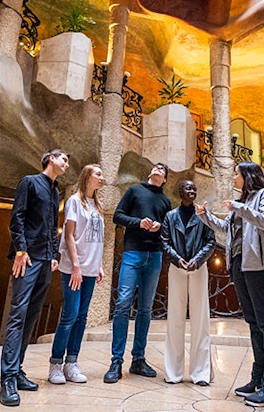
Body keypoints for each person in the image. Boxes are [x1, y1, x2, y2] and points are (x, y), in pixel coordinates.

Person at [196, 162, 264, 408]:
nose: (234, 177)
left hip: (259, 268)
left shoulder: (262, 196)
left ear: (248, 175)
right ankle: (258, 381)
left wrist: (239, 207)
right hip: (240, 267)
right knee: (255, 324)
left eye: (236, 173)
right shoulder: (243, 201)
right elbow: (227, 229)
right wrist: (205, 216)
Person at [0, 149, 69, 407]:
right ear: (51, 159)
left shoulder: (55, 191)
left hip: (44, 260)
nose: (67, 163)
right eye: (64, 159)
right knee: (18, 315)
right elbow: (16, 218)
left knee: (31, 317)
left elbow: (52, 226)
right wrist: (20, 250)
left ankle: (17, 371)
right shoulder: (29, 182)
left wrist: (52, 255)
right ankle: (7, 379)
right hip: (26, 258)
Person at [105, 162, 173, 383]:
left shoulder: (165, 201)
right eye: (156, 167)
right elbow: (118, 216)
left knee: (145, 308)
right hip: (132, 253)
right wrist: (139, 223)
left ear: (164, 179)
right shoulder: (134, 190)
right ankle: (116, 361)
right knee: (123, 303)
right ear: (150, 173)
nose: (158, 169)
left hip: (154, 256)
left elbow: (169, 230)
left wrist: (159, 227)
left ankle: (138, 359)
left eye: (162, 170)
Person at [49, 163, 106, 385]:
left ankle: (71, 362)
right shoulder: (74, 201)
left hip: (91, 269)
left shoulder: (97, 204)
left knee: (82, 317)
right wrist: (75, 266)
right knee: (70, 315)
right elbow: (70, 235)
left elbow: (97, 238)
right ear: (87, 177)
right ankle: (55, 364)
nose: (102, 178)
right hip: (75, 268)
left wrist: (99, 264)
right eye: (98, 174)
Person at [161, 179, 216, 386]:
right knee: (174, 319)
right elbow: (164, 241)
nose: (191, 190)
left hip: (199, 269)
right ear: (180, 191)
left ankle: (200, 373)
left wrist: (197, 259)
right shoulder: (170, 216)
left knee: (200, 320)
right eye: (187, 187)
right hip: (176, 269)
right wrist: (177, 259)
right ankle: (173, 372)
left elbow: (211, 241)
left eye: (194, 188)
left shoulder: (202, 215)